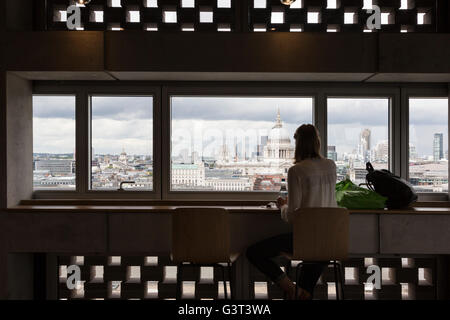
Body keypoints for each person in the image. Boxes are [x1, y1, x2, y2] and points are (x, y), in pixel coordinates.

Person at [246, 124, 337, 300]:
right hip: (330, 240)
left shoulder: (296, 170)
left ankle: (290, 288)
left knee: (254, 253)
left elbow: (293, 217)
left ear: (298, 145)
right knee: (305, 291)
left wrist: (283, 206)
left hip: (307, 239)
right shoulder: (331, 165)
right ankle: (300, 293)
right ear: (317, 142)